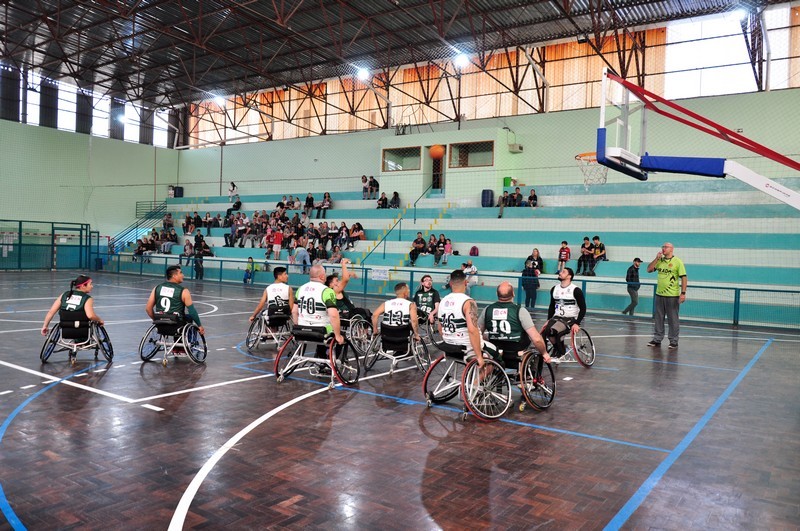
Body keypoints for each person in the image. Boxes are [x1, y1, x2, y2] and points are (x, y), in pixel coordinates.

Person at [479, 281, 549, 363]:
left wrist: (488, 339)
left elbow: (478, 332)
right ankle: (529, 375)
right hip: (517, 349)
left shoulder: (487, 310)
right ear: (513, 294)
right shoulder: (520, 311)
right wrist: (544, 353)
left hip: (495, 348)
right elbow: (536, 339)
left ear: (496, 294)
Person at [437, 269, 489, 373]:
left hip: (449, 346)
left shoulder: (443, 301)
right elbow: (472, 330)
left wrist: (450, 339)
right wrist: (479, 356)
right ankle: (476, 385)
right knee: (496, 354)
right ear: (466, 282)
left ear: (450, 283)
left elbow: (440, 327)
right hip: (466, 348)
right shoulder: (469, 302)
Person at [293, 264, 345, 362]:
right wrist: (338, 336)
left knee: (325, 332)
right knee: (340, 335)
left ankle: (321, 360)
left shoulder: (300, 289)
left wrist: (298, 326)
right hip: (320, 330)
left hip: (301, 330)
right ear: (321, 276)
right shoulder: (327, 291)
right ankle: (330, 361)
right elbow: (334, 315)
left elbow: (294, 311)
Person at [145, 265, 205, 337]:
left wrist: (156, 320)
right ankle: (184, 344)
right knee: (189, 317)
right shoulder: (184, 291)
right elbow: (192, 311)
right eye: (181, 273)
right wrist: (199, 325)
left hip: (160, 324)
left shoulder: (157, 288)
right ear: (174, 276)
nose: (183, 275)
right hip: (176, 325)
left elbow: (148, 309)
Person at [647, 243, 687, 349]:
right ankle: (657, 339)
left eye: (666, 247)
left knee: (673, 319)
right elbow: (649, 269)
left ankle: (673, 341)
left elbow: (683, 277)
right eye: (662, 247)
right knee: (658, 318)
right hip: (659, 294)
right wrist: (656, 259)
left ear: (672, 249)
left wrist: (683, 293)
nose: (663, 249)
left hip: (672, 296)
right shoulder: (660, 261)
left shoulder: (677, 262)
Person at [542, 267, 586, 361]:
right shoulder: (554, 289)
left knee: (553, 331)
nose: (560, 273)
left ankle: (560, 351)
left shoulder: (576, 290)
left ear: (569, 276)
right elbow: (551, 306)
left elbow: (583, 308)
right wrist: (548, 320)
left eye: (563, 272)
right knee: (545, 331)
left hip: (570, 318)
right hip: (557, 317)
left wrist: (577, 323)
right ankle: (558, 349)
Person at [250, 266, 294, 330]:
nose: (287, 276)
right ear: (279, 276)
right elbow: (291, 306)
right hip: (285, 315)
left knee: (263, 313)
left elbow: (261, 305)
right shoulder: (289, 288)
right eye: (285, 274)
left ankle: (269, 332)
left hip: (272, 315)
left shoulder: (268, 289)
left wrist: (253, 316)